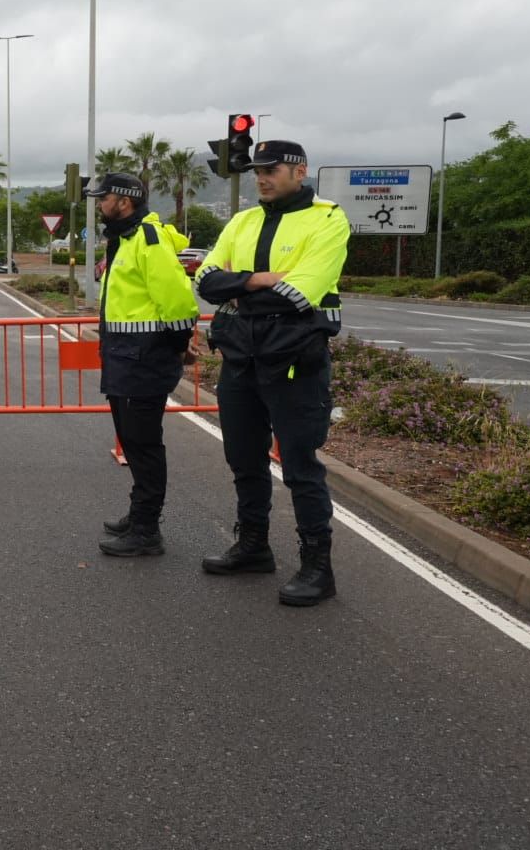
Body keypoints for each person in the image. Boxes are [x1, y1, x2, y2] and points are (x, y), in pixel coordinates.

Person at [195, 140, 350, 606]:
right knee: (244, 458)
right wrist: (260, 278)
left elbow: (300, 295)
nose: (262, 176)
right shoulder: (242, 220)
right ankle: (253, 544)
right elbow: (204, 281)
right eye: (257, 169)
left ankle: (318, 567)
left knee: (301, 467)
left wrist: (238, 288)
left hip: (293, 361)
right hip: (241, 357)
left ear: (299, 172)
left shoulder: (328, 218)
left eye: (273, 169)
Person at [80, 172, 199, 557]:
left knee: (144, 445)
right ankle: (139, 514)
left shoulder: (148, 240)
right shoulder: (124, 239)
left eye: (104, 198)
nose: (99, 205)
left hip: (144, 358)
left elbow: (178, 303)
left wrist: (180, 346)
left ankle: (147, 530)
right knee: (131, 441)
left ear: (125, 201)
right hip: (124, 356)